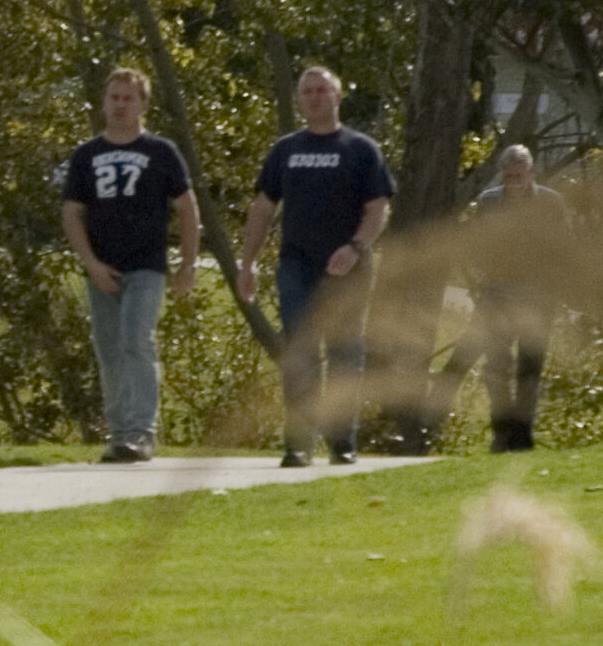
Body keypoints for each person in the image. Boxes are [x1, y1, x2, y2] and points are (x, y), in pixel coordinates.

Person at [232, 64, 394, 467]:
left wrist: (355, 247)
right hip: (296, 265)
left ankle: (342, 442)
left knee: (343, 353)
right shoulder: (285, 150)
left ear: (338, 97)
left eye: (323, 91)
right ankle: (298, 444)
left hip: (348, 266)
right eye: (308, 92)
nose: (316, 97)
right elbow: (263, 208)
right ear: (299, 100)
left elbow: (378, 208)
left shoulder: (361, 149)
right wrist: (247, 263)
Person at [58, 66, 200, 461]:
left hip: (147, 266)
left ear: (143, 105)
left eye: (128, 99)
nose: (120, 106)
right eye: (114, 98)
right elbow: (72, 214)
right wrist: (91, 265)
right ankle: (120, 434)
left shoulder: (160, 153)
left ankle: (141, 432)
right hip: (103, 267)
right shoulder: (87, 156)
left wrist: (187, 264)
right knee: (109, 349)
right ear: (103, 103)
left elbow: (187, 209)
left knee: (136, 339)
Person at [466, 139, 573, 452]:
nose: (513, 182)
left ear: (531, 172)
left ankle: (521, 435)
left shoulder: (551, 203)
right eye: (508, 176)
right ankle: (501, 431)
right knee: (496, 366)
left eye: (519, 175)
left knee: (529, 369)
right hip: (496, 294)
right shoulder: (488, 203)